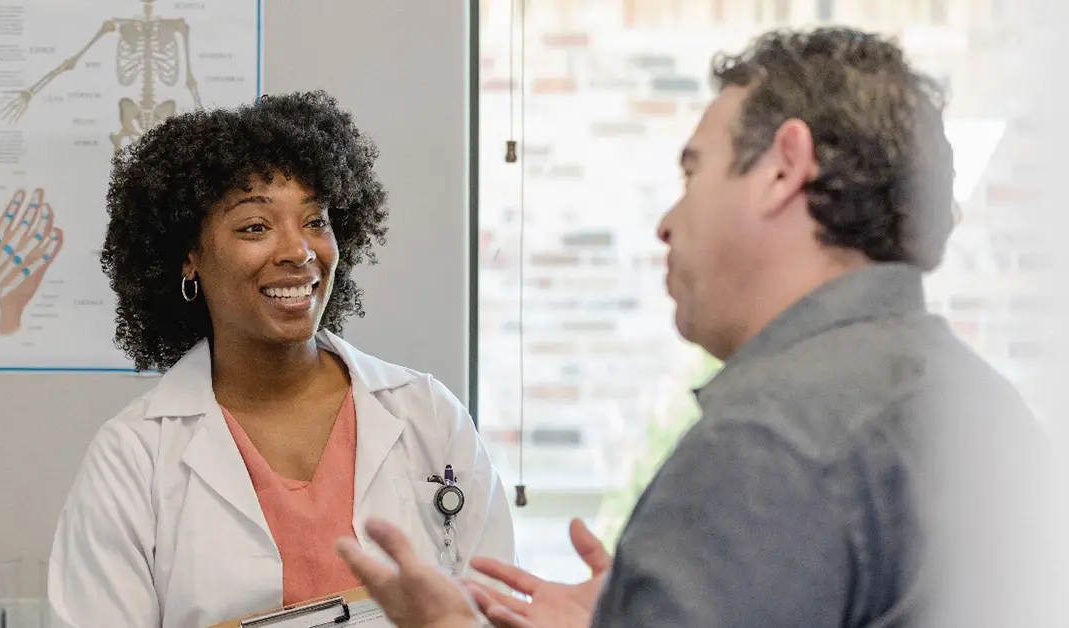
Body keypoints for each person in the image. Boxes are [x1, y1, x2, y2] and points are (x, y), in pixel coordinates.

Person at [334, 27, 1064, 627]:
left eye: (693, 173)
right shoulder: (976, 400)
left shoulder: (770, 443)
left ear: (784, 169)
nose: (666, 222)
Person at [45, 90, 516, 628]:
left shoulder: (426, 413)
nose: (299, 251)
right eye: (255, 227)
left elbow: (500, 607)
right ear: (189, 257)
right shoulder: (135, 455)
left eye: (315, 220)